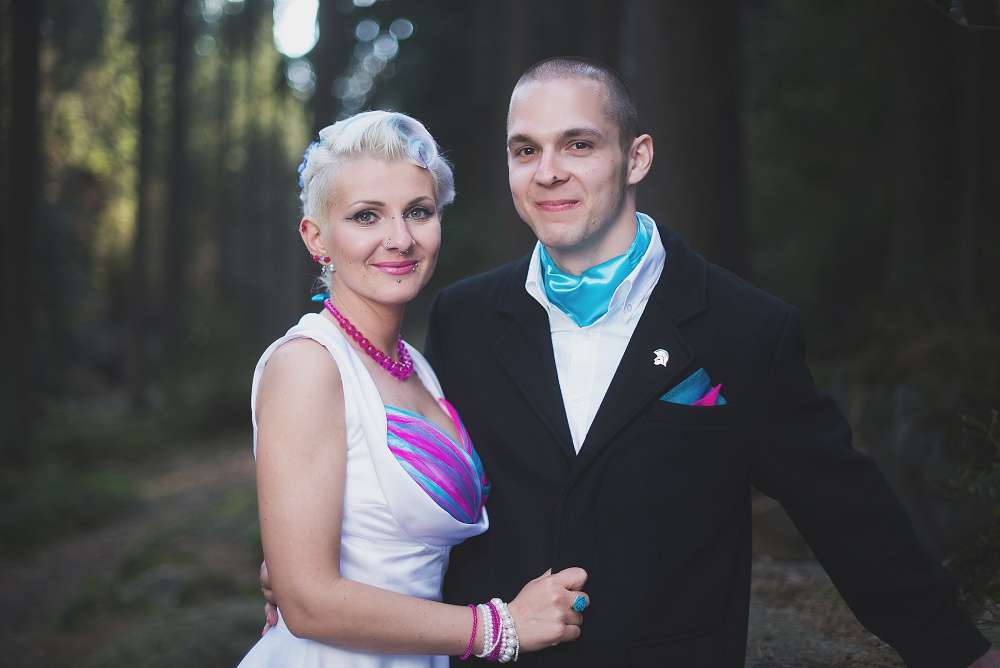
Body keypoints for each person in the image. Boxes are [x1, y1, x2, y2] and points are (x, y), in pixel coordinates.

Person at [262, 61, 1000, 666]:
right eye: (526, 150)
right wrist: (309, 578)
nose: (549, 172)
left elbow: (844, 508)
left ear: (636, 156)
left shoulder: (744, 328)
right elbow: (417, 482)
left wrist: (956, 651)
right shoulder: (465, 317)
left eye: (578, 145)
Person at [239, 110, 589, 667]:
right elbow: (306, 602)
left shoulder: (418, 368)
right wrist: (501, 625)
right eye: (366, 216)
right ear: (315, 236)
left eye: (418, 212)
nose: (400, 239)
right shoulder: (308, 365)